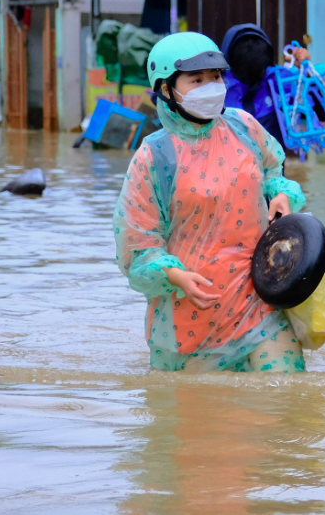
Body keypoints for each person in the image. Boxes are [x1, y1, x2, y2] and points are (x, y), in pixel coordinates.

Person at [113, 32, 308, 372]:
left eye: (215, 77)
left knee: (288, 401)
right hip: (192, 316)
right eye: (197, 79)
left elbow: (273, 170)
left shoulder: (244, 127)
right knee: (201, 420)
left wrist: (281, 194)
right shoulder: (154, 157)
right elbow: (138, 242)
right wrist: (174, 275)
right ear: (165, 90)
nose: (211, 86)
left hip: (259, 301)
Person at [220, 24, 320, 148]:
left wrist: (305, 71)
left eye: (261, 70)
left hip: (271, 163)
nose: (254, 77)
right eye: (247, 71)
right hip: (227, 163)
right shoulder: (218, 85)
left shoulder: (276, 78)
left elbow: (320, 110)